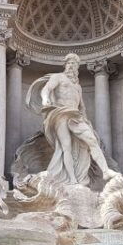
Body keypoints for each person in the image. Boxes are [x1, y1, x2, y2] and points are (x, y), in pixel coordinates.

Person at [25, 53, 116, 186]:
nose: (71, 66)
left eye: (74, 64)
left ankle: (106, 171)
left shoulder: (78, 87)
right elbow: (47, 89)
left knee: (92, 140)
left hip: (76, 116)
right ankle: (72, 179)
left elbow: (82, 106)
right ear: (65, 65)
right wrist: (45, 99)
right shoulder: (58, 77)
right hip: (60, 113)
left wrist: (86, 121)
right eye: (69, 63)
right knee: (65, 147)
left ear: (77, 67)